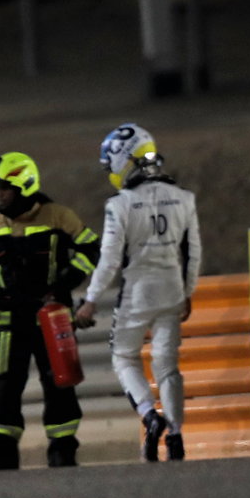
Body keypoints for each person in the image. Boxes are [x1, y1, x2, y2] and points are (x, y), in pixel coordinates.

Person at [0, 152, 100, 470]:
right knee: (2, 384)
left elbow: (92, 250)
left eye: (3, 187)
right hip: (8, 319)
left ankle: (62, 448)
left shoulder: (60, 217)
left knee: (60, 382)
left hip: (52, 316)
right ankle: (1, 449)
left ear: (24, 185)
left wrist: (65, 281)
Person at [74, 124, 202, 463]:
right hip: (172, 291)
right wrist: (188, 291)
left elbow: (110, 259)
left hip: (137, 294)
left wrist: (90, 300)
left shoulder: (120, 204)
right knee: (167, 365)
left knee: (123, 356)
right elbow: (193, 252)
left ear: (122, 159)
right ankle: (176, 436)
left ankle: (149, 415)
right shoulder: (184, 198)